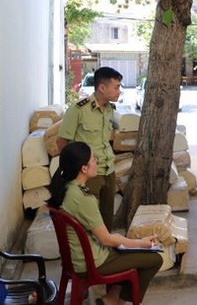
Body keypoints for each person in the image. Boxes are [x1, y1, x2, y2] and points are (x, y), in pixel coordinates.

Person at [47, 142, 162, 305]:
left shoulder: (66, 187)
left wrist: (131, 243)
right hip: (93, 262)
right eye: (94, 159)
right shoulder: (82, 199)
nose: (97, 161)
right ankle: (117, 302)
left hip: (81, 257)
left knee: (128, 249)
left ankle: (111, 299)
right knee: (154, 259)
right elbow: (106, 239)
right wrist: (141, 243)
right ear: (84, 169)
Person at [57, 67, 122, 231]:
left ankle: (106, 252)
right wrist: (75, 171)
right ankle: (90, 254)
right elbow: (62, 141)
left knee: (107, 219)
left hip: (109, 171)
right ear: (102, 87)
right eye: (116, 87)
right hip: (89, 174)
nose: (119, 91)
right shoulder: (78, 109)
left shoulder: (109, 110)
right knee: (88, 221)